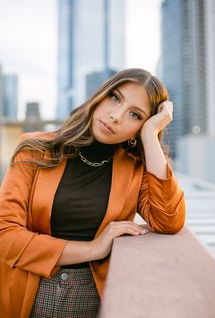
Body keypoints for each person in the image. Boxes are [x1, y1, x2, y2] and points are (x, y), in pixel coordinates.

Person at [0, 68, 185, 318]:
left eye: (135, 114)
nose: (116, 116)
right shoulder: (34, 149)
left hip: (93, 297)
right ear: (100, 95)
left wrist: (151, 135)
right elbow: (5, 235)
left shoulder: (135, 169)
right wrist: (93, 249)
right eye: (115, 98)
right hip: (27, 290)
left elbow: (169, 220)